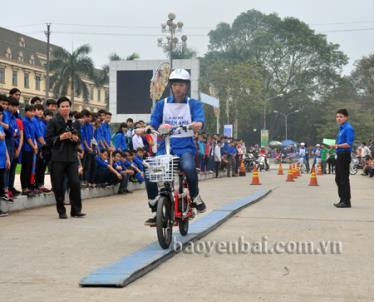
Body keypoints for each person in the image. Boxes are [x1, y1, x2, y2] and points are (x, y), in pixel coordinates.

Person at [139, 69, 206, 226]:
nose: (178, 88)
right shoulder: (162, 104)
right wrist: (146, 128)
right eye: (175, 84)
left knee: (189, 168)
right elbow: (153, 122)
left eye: (181, 85)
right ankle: (155, 205)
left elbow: (200, 120)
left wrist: (198, 124)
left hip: (186, 147)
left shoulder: (194, 104)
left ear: (187, 86)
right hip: (166, 147)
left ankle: (195, 197)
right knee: (150, 170)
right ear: (171, 86)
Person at [46, 97, 85, 219]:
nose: (65, 108)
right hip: (58, 157)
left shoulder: (74, 122)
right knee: (58, 185)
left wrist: (76, 139)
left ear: (70, 107)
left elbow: (80, 138)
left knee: (75, 183)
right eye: (63, 106)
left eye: (67, 106)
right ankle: (61, 211)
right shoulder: (53, 121)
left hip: (72, 157)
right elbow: (49, 139)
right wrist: (61, 137)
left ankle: (76, 210)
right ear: (59, 108)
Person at [330, 109, 355, 208]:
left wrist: (337, 145)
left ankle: (346, 202)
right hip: (339, 155)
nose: (338, 118)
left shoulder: (348, 128)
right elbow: (339, 144)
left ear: (346, 117)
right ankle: (342, 199)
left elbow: (349, 144)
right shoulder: (341, 129)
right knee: (338, 178)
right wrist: (335, 147)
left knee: (344, 178)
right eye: (337, 116)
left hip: (344, 155)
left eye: (341, 116)